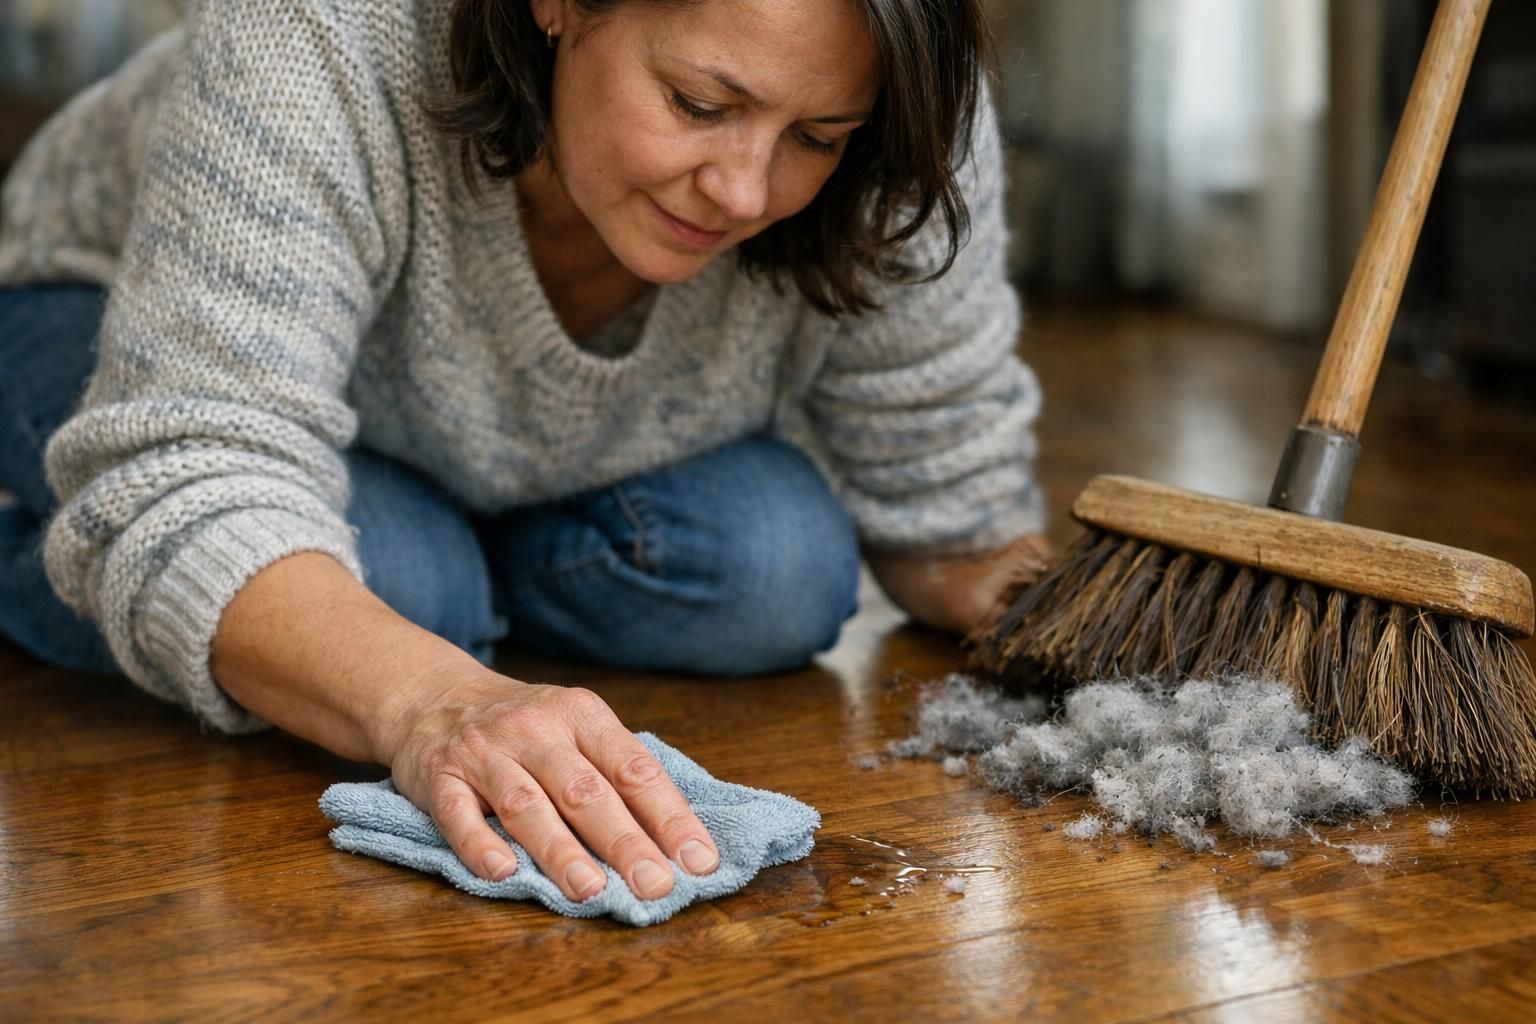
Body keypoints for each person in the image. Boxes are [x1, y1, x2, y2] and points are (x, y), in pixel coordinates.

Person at [0, 0, 1048, 906]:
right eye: (698, 104)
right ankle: (50, 535)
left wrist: (1099, 633)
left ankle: (437, 581)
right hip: (117, 328)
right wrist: (432, 702)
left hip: (489, 432)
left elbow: (947, 500)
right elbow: (199, 459)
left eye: (817, 138)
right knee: (410, 592)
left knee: (778, 563)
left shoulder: (907, 112)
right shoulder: (319, 33)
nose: (744, 191)